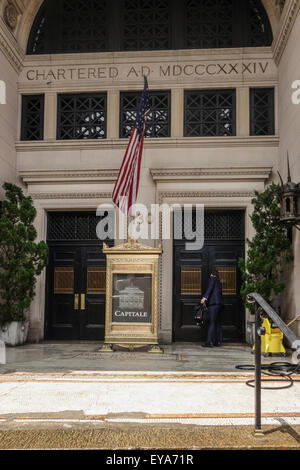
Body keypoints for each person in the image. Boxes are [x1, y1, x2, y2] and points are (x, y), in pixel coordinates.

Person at [200, 270, 224, 348]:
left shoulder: (213, 279)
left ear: (211, 274)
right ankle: (217, 341)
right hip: (219, 304)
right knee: (217, 323)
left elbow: (210, 288)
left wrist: (204, 298)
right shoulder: (219, 282)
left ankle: (209, 342)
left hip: (213, 304)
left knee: (212, 323)